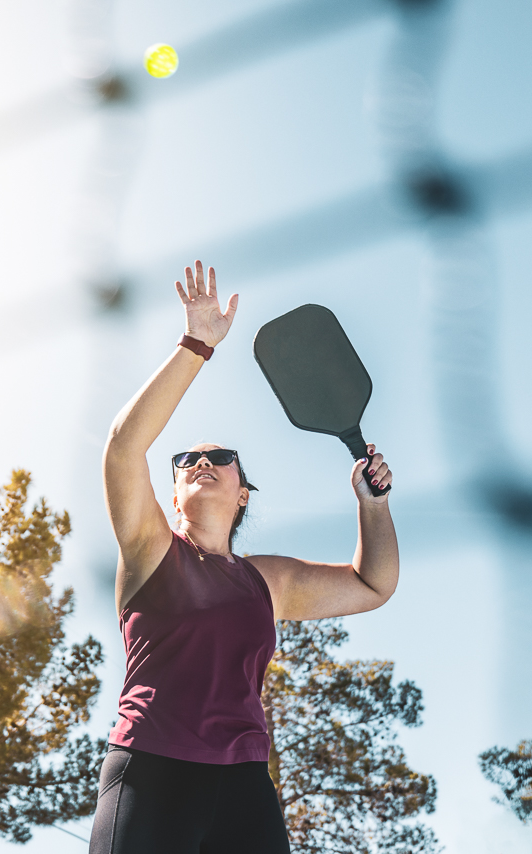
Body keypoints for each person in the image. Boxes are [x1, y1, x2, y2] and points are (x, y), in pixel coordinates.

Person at [90, 261, 399, 854]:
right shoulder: (150, 550)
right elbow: (124, 446)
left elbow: (373, 585)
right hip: (152, 768)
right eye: (185, 460)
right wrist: (196, 344)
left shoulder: (268, 581)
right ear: (173, 492)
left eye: (220, 456)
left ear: (243, 491)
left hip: (243, 786)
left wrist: (373, 506)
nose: (201, 462)